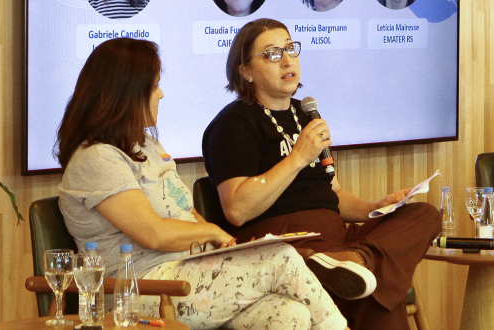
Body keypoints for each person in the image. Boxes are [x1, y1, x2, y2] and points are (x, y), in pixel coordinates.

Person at [56, 38, 349, 330]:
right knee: (282, 258)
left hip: (187, 273)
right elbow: (154, 234)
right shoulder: (95, 157)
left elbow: (184, 210)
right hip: (136, 291)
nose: (160, 94)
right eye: (154, 85)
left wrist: (215, 245)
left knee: (289, 313)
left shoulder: (146, 145)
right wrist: (210, 231)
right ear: (127, 92)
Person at [201, 18, 441, 330]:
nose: (287, 60)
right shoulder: (233, 124)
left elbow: (335, 194)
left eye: (290, 49)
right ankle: (355, 268)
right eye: (272, 54)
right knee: (377, 291)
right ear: (245, 71)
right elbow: (237, 209)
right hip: (287, 245)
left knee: (423, 214)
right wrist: (298, 157)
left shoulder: (306, 113)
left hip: (338, 242)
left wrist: (375, 208)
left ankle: (357, 261)